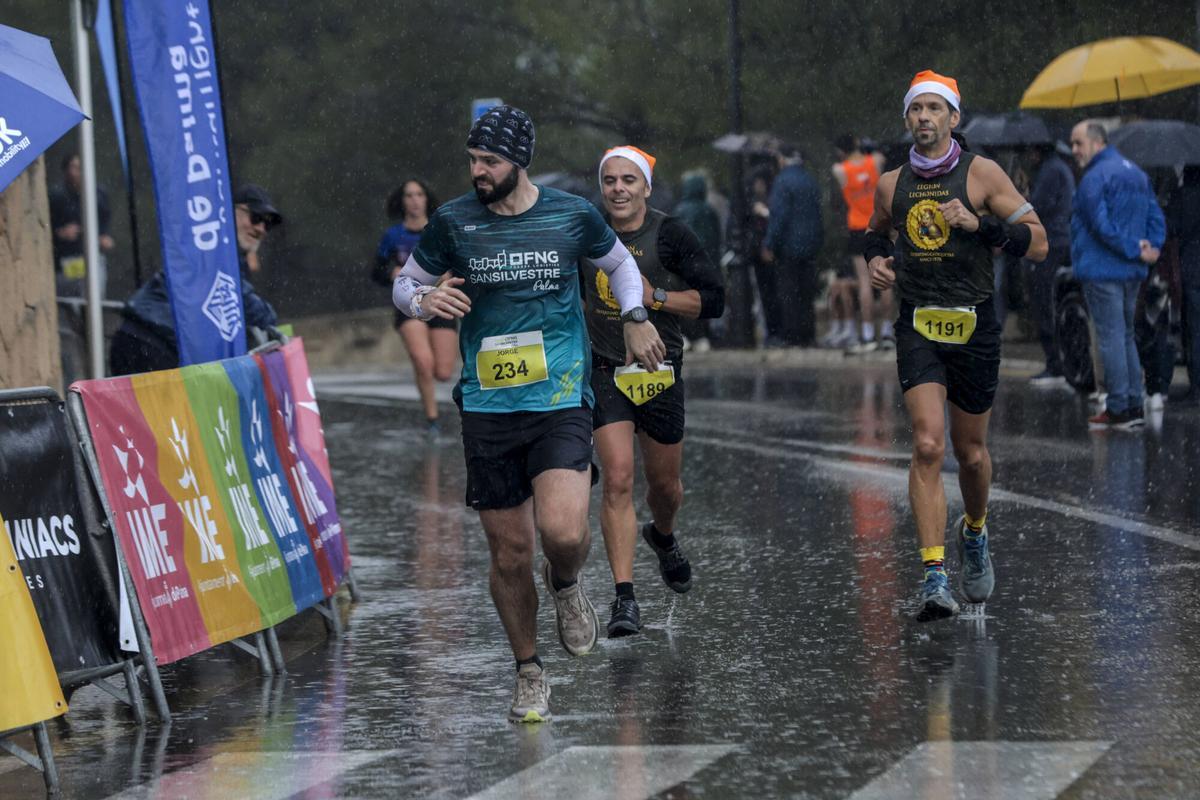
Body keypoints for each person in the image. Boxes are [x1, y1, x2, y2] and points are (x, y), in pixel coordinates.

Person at [392, 106, 665, 723]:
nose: (477, 171)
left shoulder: (571, 214)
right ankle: (528, 670)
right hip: (488, 407)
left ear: (519, 161)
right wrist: (425, 298)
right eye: (473, 160)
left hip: (560, 397)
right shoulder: (454, 222)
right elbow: (404, 285)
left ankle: (565, 583)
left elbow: (619, 264)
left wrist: (634, 315)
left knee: (565, 533)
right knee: (509, 554)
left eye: (488, 161)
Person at [865, 71, 1048, 621]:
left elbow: (1037, 243)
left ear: (953, 119)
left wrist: (982, 226)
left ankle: (974, 530)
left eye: (934, 109)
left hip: (974, 324)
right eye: (915, 109)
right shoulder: (890, 184)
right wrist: (876, 257)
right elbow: (875, 230)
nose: (924, 117)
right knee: (926, 445)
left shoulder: (983, 174)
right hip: (918, 323)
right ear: (906, 120)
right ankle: (933, 574)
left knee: (970, 453)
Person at [582, 146, 724, 638]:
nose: (618, 189)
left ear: (645, 188)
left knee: (664, 488)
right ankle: (624, 599)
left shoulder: (672, 234)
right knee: (617, 479)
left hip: (661, 369)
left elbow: (714, 301)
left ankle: (662, 537)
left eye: (628, 181)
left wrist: (655, 297)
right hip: (605, 369)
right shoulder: (586, 233)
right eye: (609, 181)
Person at [108, 184, 282, 375]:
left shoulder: (216, 248)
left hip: (142, 341)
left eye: (268, 223)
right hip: (153, 346)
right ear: (228, 211)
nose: (261, 229)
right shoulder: (213, 249)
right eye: (255, 217)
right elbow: (252, 308)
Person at [1068, 120, 1165, 429]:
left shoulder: (1094, 177)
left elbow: (1100, 225)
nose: (1074, 151)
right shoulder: (1136, 172)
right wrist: (1152, 248)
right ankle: (1134, 403)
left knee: (1111, 338)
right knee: (1125, 336)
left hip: (1102, 268)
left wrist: (1134, 248)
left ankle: (1120, 408)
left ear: (1098, 143)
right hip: (1132, 272)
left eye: (1078, 143)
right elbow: (1155, 216)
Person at [371, 180, 457, 433]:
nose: (415, 200)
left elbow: (460, 262)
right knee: (423, 361)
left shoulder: (440, 230)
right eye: (409, 195)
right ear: (402, 201)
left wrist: (450, 274)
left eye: (419, 194)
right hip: (409, 302)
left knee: (442, 371)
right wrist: (392, 273)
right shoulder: (392, 236)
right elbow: (375, 272)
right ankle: (432, 421)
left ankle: (436, 407)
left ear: (427, 199)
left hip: (441, 301)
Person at [1019, 144, 1075, 388]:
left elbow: (1038, 208)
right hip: (1061, 241)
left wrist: (1023, 201)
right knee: (1053, 303)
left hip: (1050, 243)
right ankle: (1061, 363)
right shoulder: (1059, 168)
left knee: (1045, 303)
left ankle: (1056, 364)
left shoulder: (1050, 171)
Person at [833, 134, 893, 354]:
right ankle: (887, 332)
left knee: (865, 282)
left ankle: (868, 335)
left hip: (858, 227)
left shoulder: (840, 170)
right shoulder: (875, 161)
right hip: (880, 223)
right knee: (885, 278)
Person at [763, 144, 823, 347]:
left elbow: (779, 216)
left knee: (789, 291)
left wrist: (769, 243)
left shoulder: (782, 181)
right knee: (807, 291)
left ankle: (792, 334)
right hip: (810, 244)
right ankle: (808, 333)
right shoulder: (809, 180)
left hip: (789, 245)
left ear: (783, 159)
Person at [672, 171, 722, 353]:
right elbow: (716, 240)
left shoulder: (680, 211)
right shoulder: (709, 211)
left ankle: (687, 336)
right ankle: (702, 336)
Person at [1168, 165, 1200, 407]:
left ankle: (1197, 385)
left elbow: (1173, 229)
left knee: (1195, 331)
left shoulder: (1184, 196)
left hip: (1192, 269)